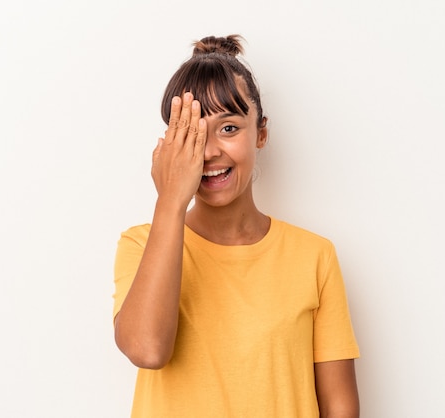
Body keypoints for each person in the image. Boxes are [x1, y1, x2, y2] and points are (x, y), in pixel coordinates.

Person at [113, 34, 360, 418]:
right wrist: (171, 199)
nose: (210, 150)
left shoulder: (315, 257)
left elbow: (340, 406)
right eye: (192, 132)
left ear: (260, 133)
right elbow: (147, 350)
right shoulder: (140, 244)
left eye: (228, 128)